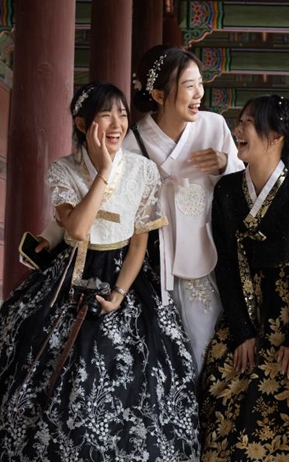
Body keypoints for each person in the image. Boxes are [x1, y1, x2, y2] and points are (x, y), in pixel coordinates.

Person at [0, 83, 200, 462]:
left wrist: (119, 294)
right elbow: (79, 230)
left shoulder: (143, 171)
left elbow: (140, 244)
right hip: (71, 273)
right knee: (29, 337)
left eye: (122, 114)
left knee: (138, 366)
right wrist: (103, 173)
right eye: (106, 116)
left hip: (125, 278)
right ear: (84, 124)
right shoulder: (63, 169)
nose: (117, 124)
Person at [37, 45, 245, 374]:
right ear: (159, 94)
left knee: (207, 342)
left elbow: (242, 190)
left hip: (203, 251)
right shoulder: (131, 142)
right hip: (148, 255)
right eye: (189, 85)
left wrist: (225, 163)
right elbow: (96, 201)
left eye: (200, 83)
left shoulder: (214, 127)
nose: (199, 94)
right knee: (159, 352)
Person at [198, 95, 289, 462]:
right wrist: (242, 331)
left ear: (276, 135)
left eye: (247, 123)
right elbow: (225, 264)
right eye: (239, 122)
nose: (237, 131)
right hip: (240, 312)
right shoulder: (226, 190)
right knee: (221, 386)